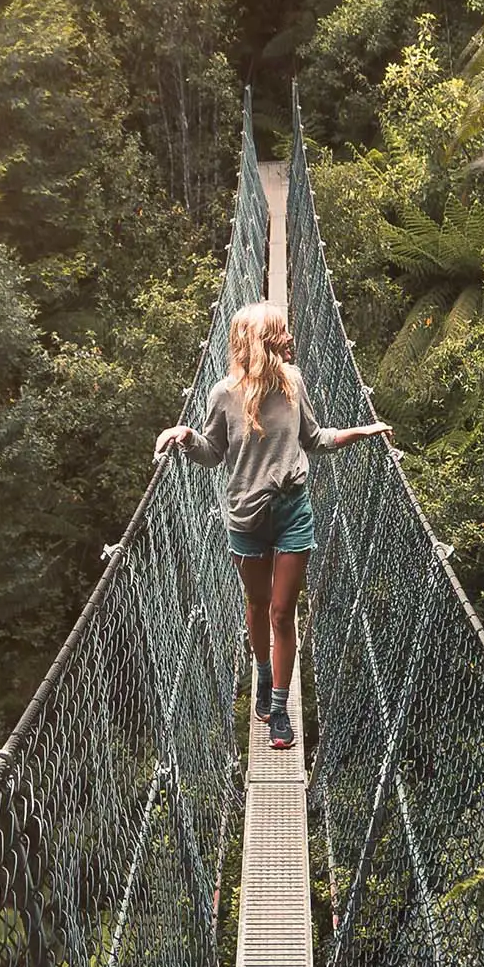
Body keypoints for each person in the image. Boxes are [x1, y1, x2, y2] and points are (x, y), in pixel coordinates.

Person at [156, 301, 392, 750]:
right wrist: (185, 437)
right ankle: (262, 674)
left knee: (283, 613)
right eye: (282, 333)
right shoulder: (223, 394)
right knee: (257, 604)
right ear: (263, 343)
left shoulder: (294, 382)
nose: (290, 337)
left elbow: (314, 439)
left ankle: (280, 709)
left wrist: (361, 431)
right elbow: (212, 454)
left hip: (292, 511)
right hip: (245, 516)